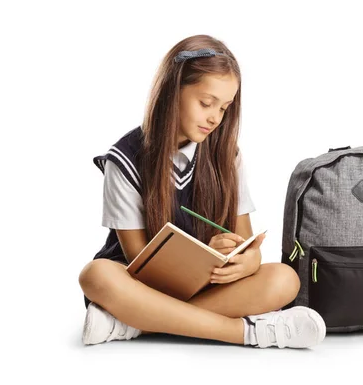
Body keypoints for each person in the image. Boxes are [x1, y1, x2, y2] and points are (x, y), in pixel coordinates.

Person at [78, 34, 326, 349]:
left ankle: (133, 324)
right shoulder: (124, 160)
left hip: (205, 288)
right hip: (143, 287)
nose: (214, 117)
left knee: (285, 279)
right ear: (172, 92)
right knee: (96, 275)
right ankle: (249, 332)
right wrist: (198, 260)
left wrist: (248, 261)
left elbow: (246, 244)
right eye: (206, 103)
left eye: (224, 108)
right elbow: (139, 262)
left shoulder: (227, 155)